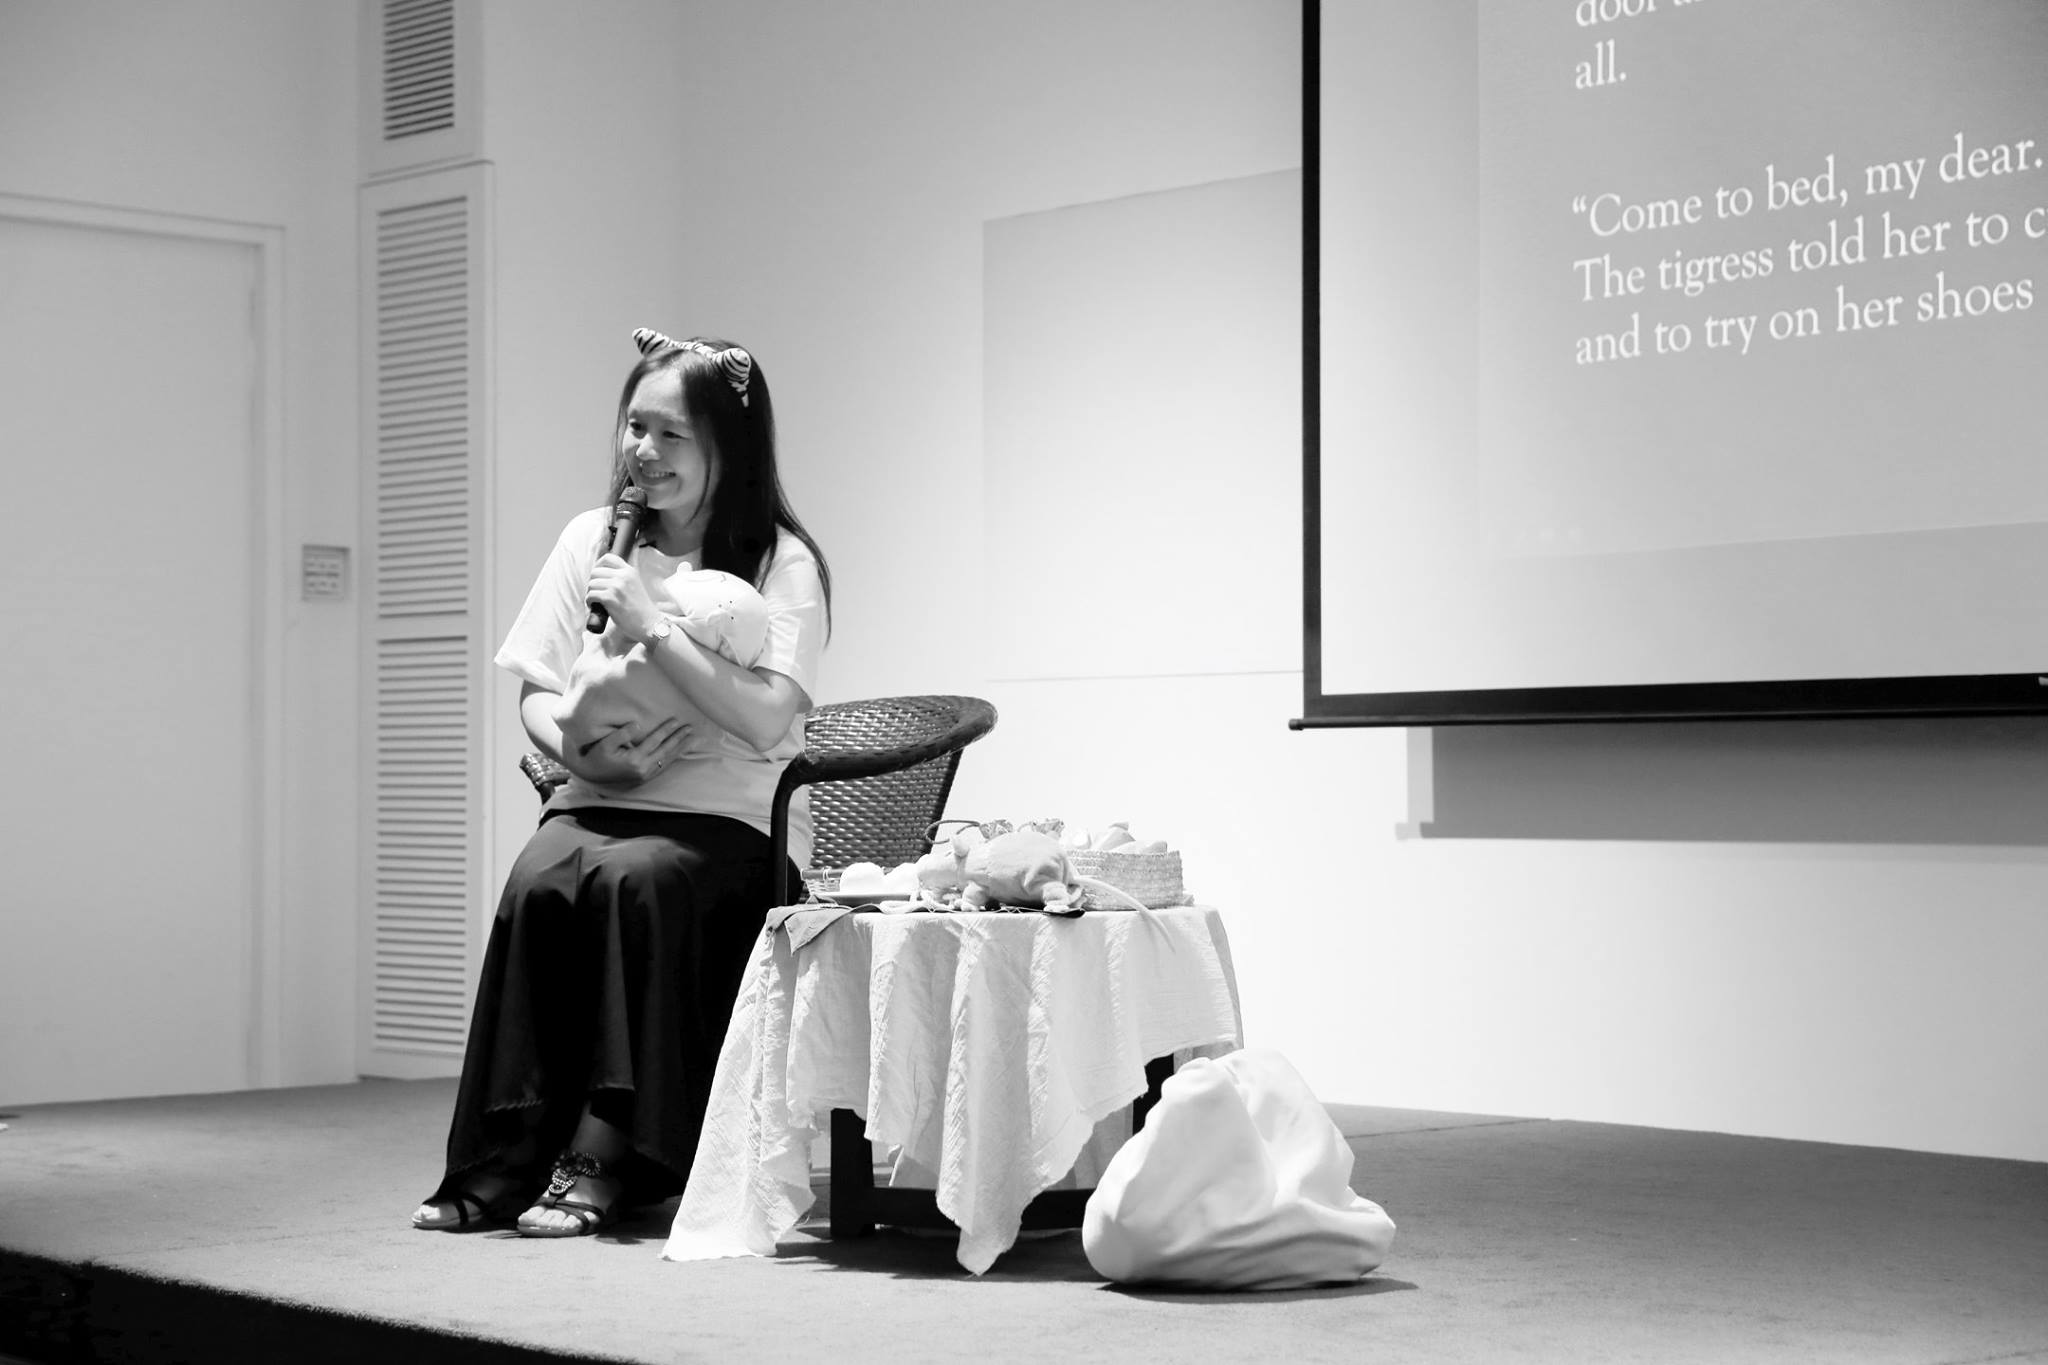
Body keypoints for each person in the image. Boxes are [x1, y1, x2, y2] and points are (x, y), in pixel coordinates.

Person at [410, 328, 831, 1237]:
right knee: (540, 877)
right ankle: (506, 1156)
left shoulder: (779, 559)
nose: (644, 451)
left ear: (729, 448)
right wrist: (587, 759)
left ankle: (607, 1158)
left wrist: (653, 625)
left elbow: (767, 718)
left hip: (729, 817)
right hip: (599, 791)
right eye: (635, 427)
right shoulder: (591, 540)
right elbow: (537, 691)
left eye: (672, 435)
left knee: (638, 880)